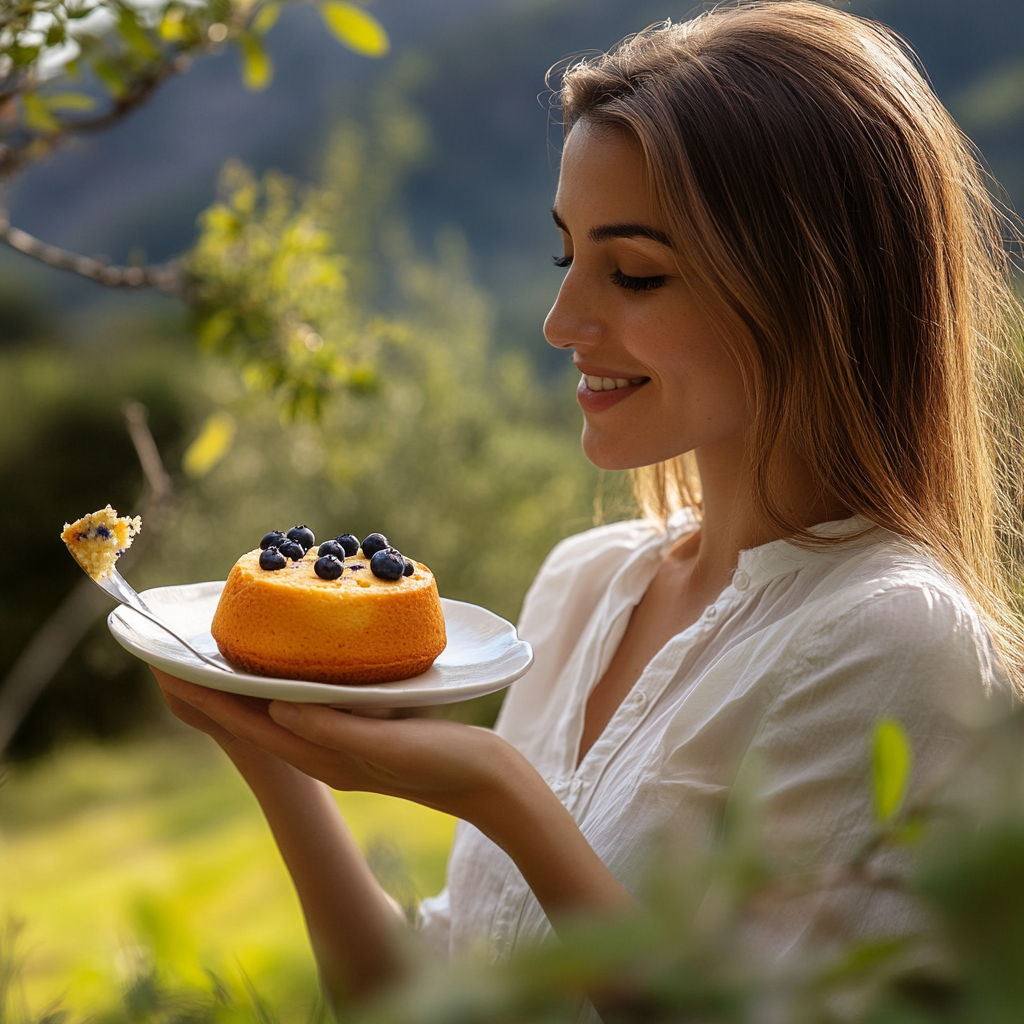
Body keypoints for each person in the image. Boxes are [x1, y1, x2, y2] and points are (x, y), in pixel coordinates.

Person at [153, 0, 1023, 1012]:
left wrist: (499, 792)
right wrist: (269, 746)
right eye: (567, 256)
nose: (561, 321)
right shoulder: (584, 580)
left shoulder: (895, 638)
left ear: (816, 291)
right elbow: (428, 992)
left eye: (637, 273)